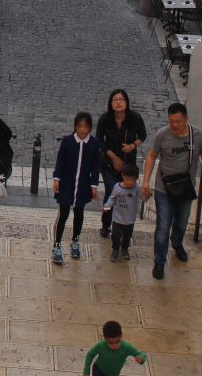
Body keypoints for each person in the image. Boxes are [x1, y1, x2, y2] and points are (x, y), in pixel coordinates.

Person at [142, 102, 202, 280]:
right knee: (163, 226)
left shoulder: (198, 136)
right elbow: (152, 156)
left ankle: (176, 243)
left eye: (178, 121)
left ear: (186, 119)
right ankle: (159, 261)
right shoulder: (162, 135)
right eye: (171, 121)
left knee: (181, 223)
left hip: (185, 188)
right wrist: (145, 181)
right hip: (163, 188)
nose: (174, 125)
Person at [95, 89, 146, 238]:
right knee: (112, 191)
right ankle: (106, 224)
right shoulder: (105, 119)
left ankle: (123, 224)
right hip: (109, 164)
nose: (118, 102)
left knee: (126, 194)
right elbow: (99, 141)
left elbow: (143, 135)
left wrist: (133, 146)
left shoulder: (135, 118)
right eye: (115, 100)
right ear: (110, 103)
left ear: (126, 102)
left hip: (128, 165)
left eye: (121, 99)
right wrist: (113, 157)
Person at [52, 111, 100, 264]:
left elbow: (95, 166)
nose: (82, 130)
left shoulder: (93, 144)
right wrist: (56, 179)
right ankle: (57, 244)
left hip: (83, 185)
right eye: (79, 127)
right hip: (67, 184)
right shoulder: (67, 142)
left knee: (79, 213)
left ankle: (75, 241)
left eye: (85, 127)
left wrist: (94, 185)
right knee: (63, 214)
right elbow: (60, 161)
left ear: (90, 128)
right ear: (75, 127)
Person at [103, 164, 142, 261]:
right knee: (116, 235)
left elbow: (143, 198)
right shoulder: (117, 187)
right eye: (127, 179)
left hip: (130, 219)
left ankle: (124, 249)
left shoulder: (137, 188)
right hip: (117, 218)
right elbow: (112, 198)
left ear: (136, 179)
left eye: (132, 180)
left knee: (127, 236)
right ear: (122, 176)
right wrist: (107, 205)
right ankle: (115, 249)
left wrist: (147, 194)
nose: (130, 182)